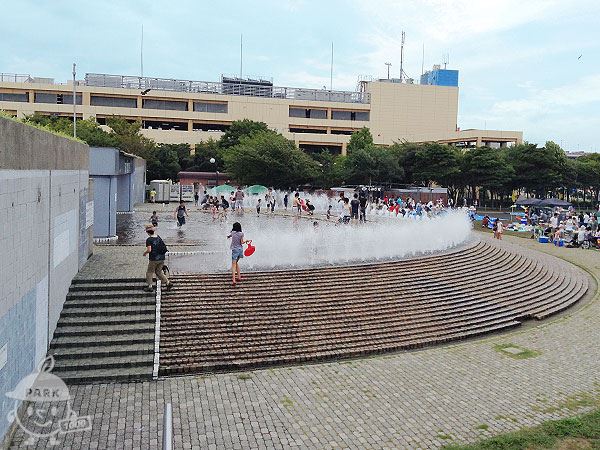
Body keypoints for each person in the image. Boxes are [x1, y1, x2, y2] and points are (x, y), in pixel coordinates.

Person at [143, 225, 172, 292]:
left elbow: (149, 250)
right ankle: (168, 283)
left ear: (148, 232)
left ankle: (150, 287)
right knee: (159, 272)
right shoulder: (158, 237)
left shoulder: (149, 240)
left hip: (154, 259)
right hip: (161, 258)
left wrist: (145, 253)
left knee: (149, 272)